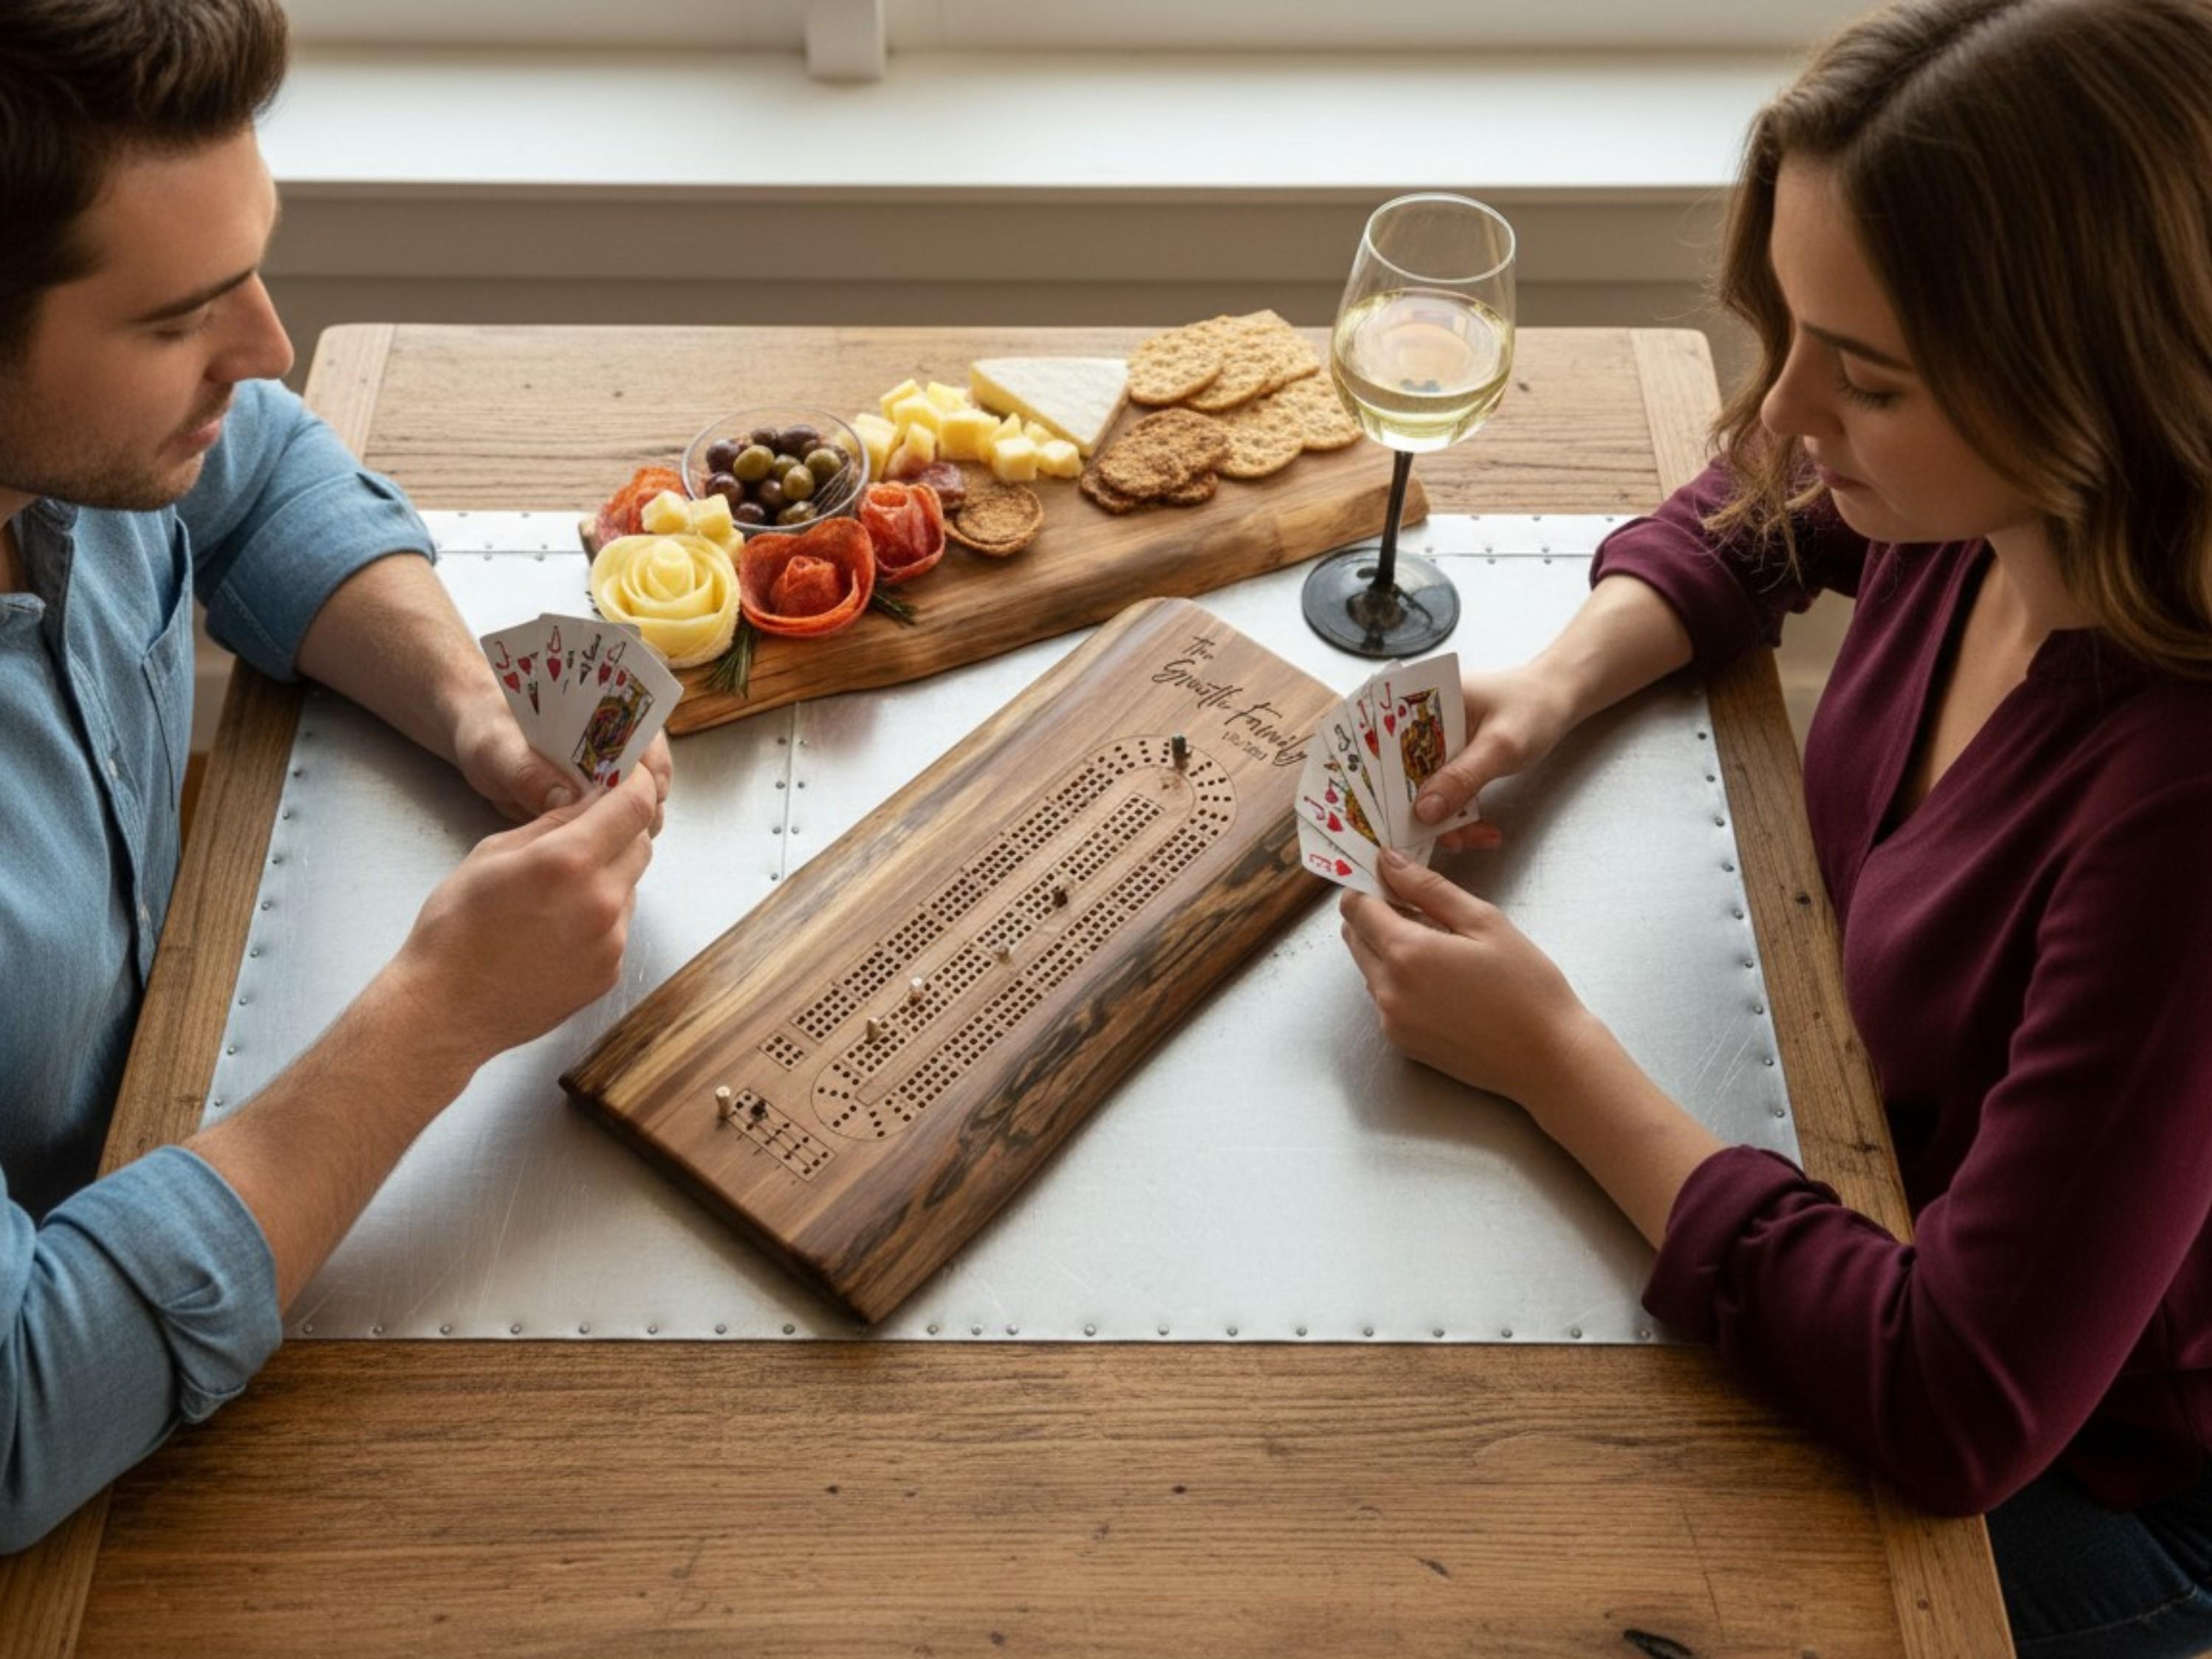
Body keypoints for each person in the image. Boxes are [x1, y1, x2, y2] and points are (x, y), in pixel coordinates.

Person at [1337, 0, 2212, 1652]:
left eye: (1865, 376)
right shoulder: (1991, 510)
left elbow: (1954, 1402)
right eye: (1791, 332)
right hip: (1855, 1184)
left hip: (2103, 1494)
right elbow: (1773, 507)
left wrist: (1552, 1058)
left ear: (2085, 391)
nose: (1786, 408)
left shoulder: (2179, 816)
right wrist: (1559, 678)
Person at [0, 0, 672, 1551]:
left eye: (252, 266)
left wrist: (474, 716)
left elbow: (265, 478)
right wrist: (437, 1015)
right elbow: (24, 1402)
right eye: (178, 323)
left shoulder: (92, 435)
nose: (266, 344)